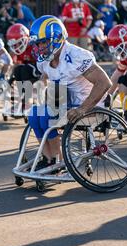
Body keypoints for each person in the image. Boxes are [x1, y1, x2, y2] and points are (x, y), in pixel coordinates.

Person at [27, 15, 112, 169]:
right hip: (65, 104)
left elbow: (104, 82)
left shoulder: (76, 56)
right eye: (37, 44)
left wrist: (82, 108)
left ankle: (57, 162)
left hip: (91, 107)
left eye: (43, 42)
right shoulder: (45, 59)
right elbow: (45, 75)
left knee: (47, 115)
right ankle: (50, 159)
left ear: (57, 38)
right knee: (34, 115)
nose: (39, 48)